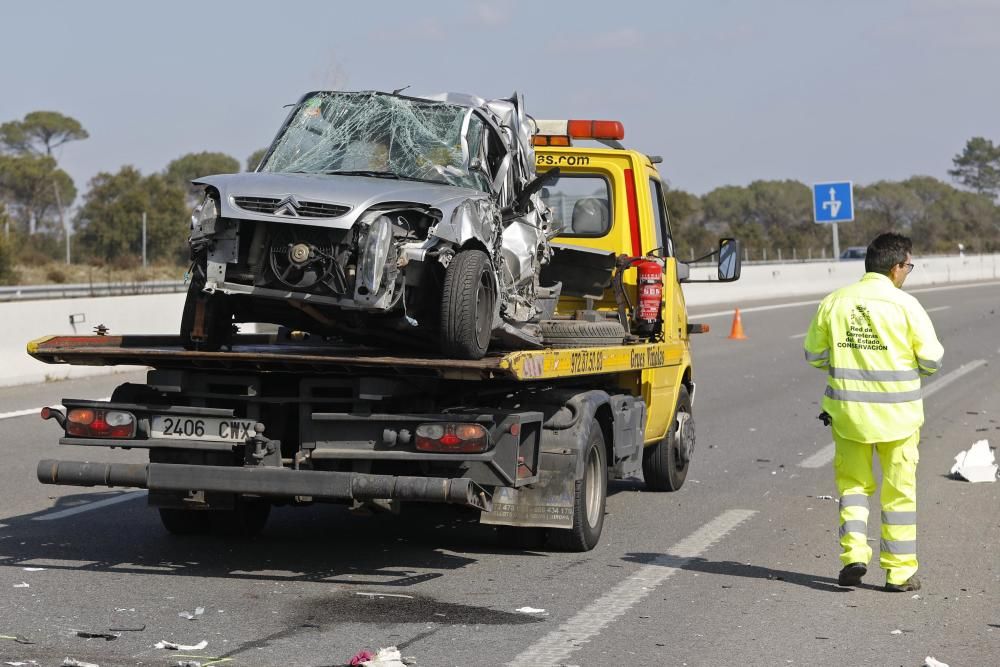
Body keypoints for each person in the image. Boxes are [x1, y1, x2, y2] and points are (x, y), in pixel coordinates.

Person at [804, 232, 943, 592]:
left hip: (849, 416)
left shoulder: (835, 302)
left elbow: (815, 355)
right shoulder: (906, 306)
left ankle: (854, 554)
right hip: (899, 418)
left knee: (852, 487)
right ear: (896, 268)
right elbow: (931, 360)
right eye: (908, 265)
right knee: (899, 495)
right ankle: (898, 573)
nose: (908, 272)